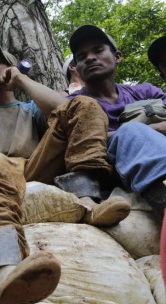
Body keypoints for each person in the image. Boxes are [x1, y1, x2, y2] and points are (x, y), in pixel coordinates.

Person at [0, 39, 130, 304]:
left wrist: (22, 80)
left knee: (86, 104)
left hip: (29, 170)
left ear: (11, 69)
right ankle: (2, 281)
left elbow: (68, 108)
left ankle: (88, 202)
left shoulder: (30, 109)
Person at [68, 25, 166, 218]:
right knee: (131, 132)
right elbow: (79, 142)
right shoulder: (74, 103)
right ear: (76, 68)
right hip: (114, 169)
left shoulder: (145, 91)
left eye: (98, 50)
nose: (89, 58)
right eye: (81, 56)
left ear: (117, 56)